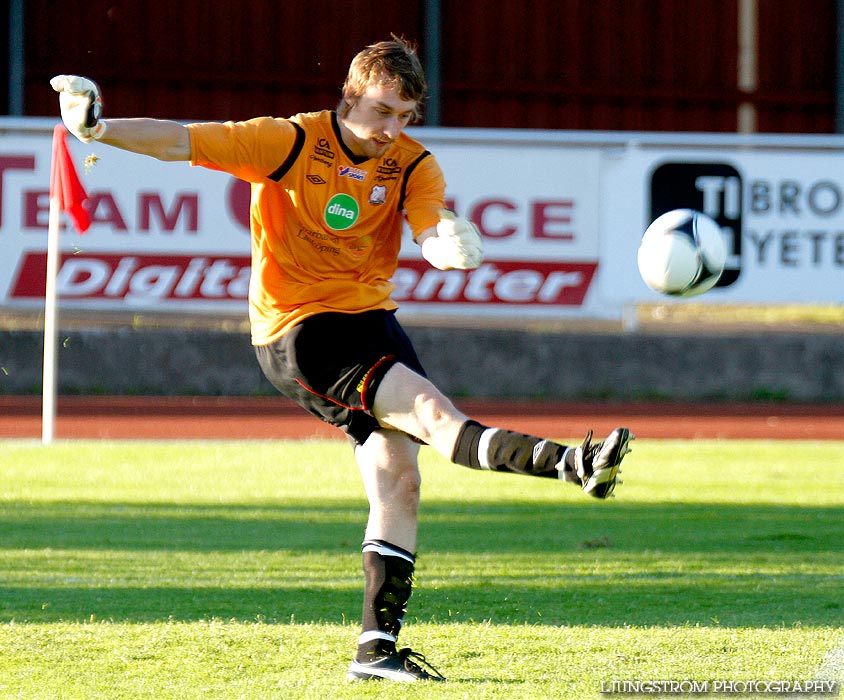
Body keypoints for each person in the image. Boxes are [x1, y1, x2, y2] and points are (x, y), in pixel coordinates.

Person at [52, 36, 633, 683]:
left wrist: (447, 246)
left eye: (406, 116)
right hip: (299, 331)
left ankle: (376, 650)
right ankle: (572, 462)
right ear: (352, 95)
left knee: (400, 479)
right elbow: (184, 140)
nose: (393, 129)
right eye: (383, 111)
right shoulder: (290, 142)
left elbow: (430, 224)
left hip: (371, 323)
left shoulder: (412, 164)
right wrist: (97, 128)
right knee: (435, 418)